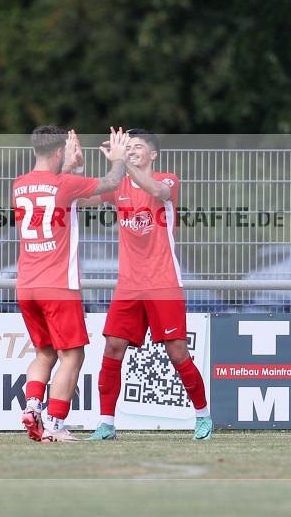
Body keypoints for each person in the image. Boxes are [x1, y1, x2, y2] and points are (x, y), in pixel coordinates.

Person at [85, 128, 212, 441]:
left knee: (177, 352)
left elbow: (158, 192)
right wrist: (73, 168)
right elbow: (84, 198)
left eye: (137, 147)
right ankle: (106, 425)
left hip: (163, 283)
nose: (132, 152)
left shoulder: (167, 179)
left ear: (153, 154)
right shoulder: (119, 186)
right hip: (128, 286)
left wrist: (121, 162)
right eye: (128, 147)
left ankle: (203, 417)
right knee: (112, 348)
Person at [14, 125, 128, 442]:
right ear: (57, 152)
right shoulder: (64, 184)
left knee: (44, 353)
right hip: (57, 286)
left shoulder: (19, 185)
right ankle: (55, 424)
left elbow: (55, 190)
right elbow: (109, 183)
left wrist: (70, 167)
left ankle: (32, 406)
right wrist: (117, 158)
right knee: (72, 357)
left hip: (26, 285)